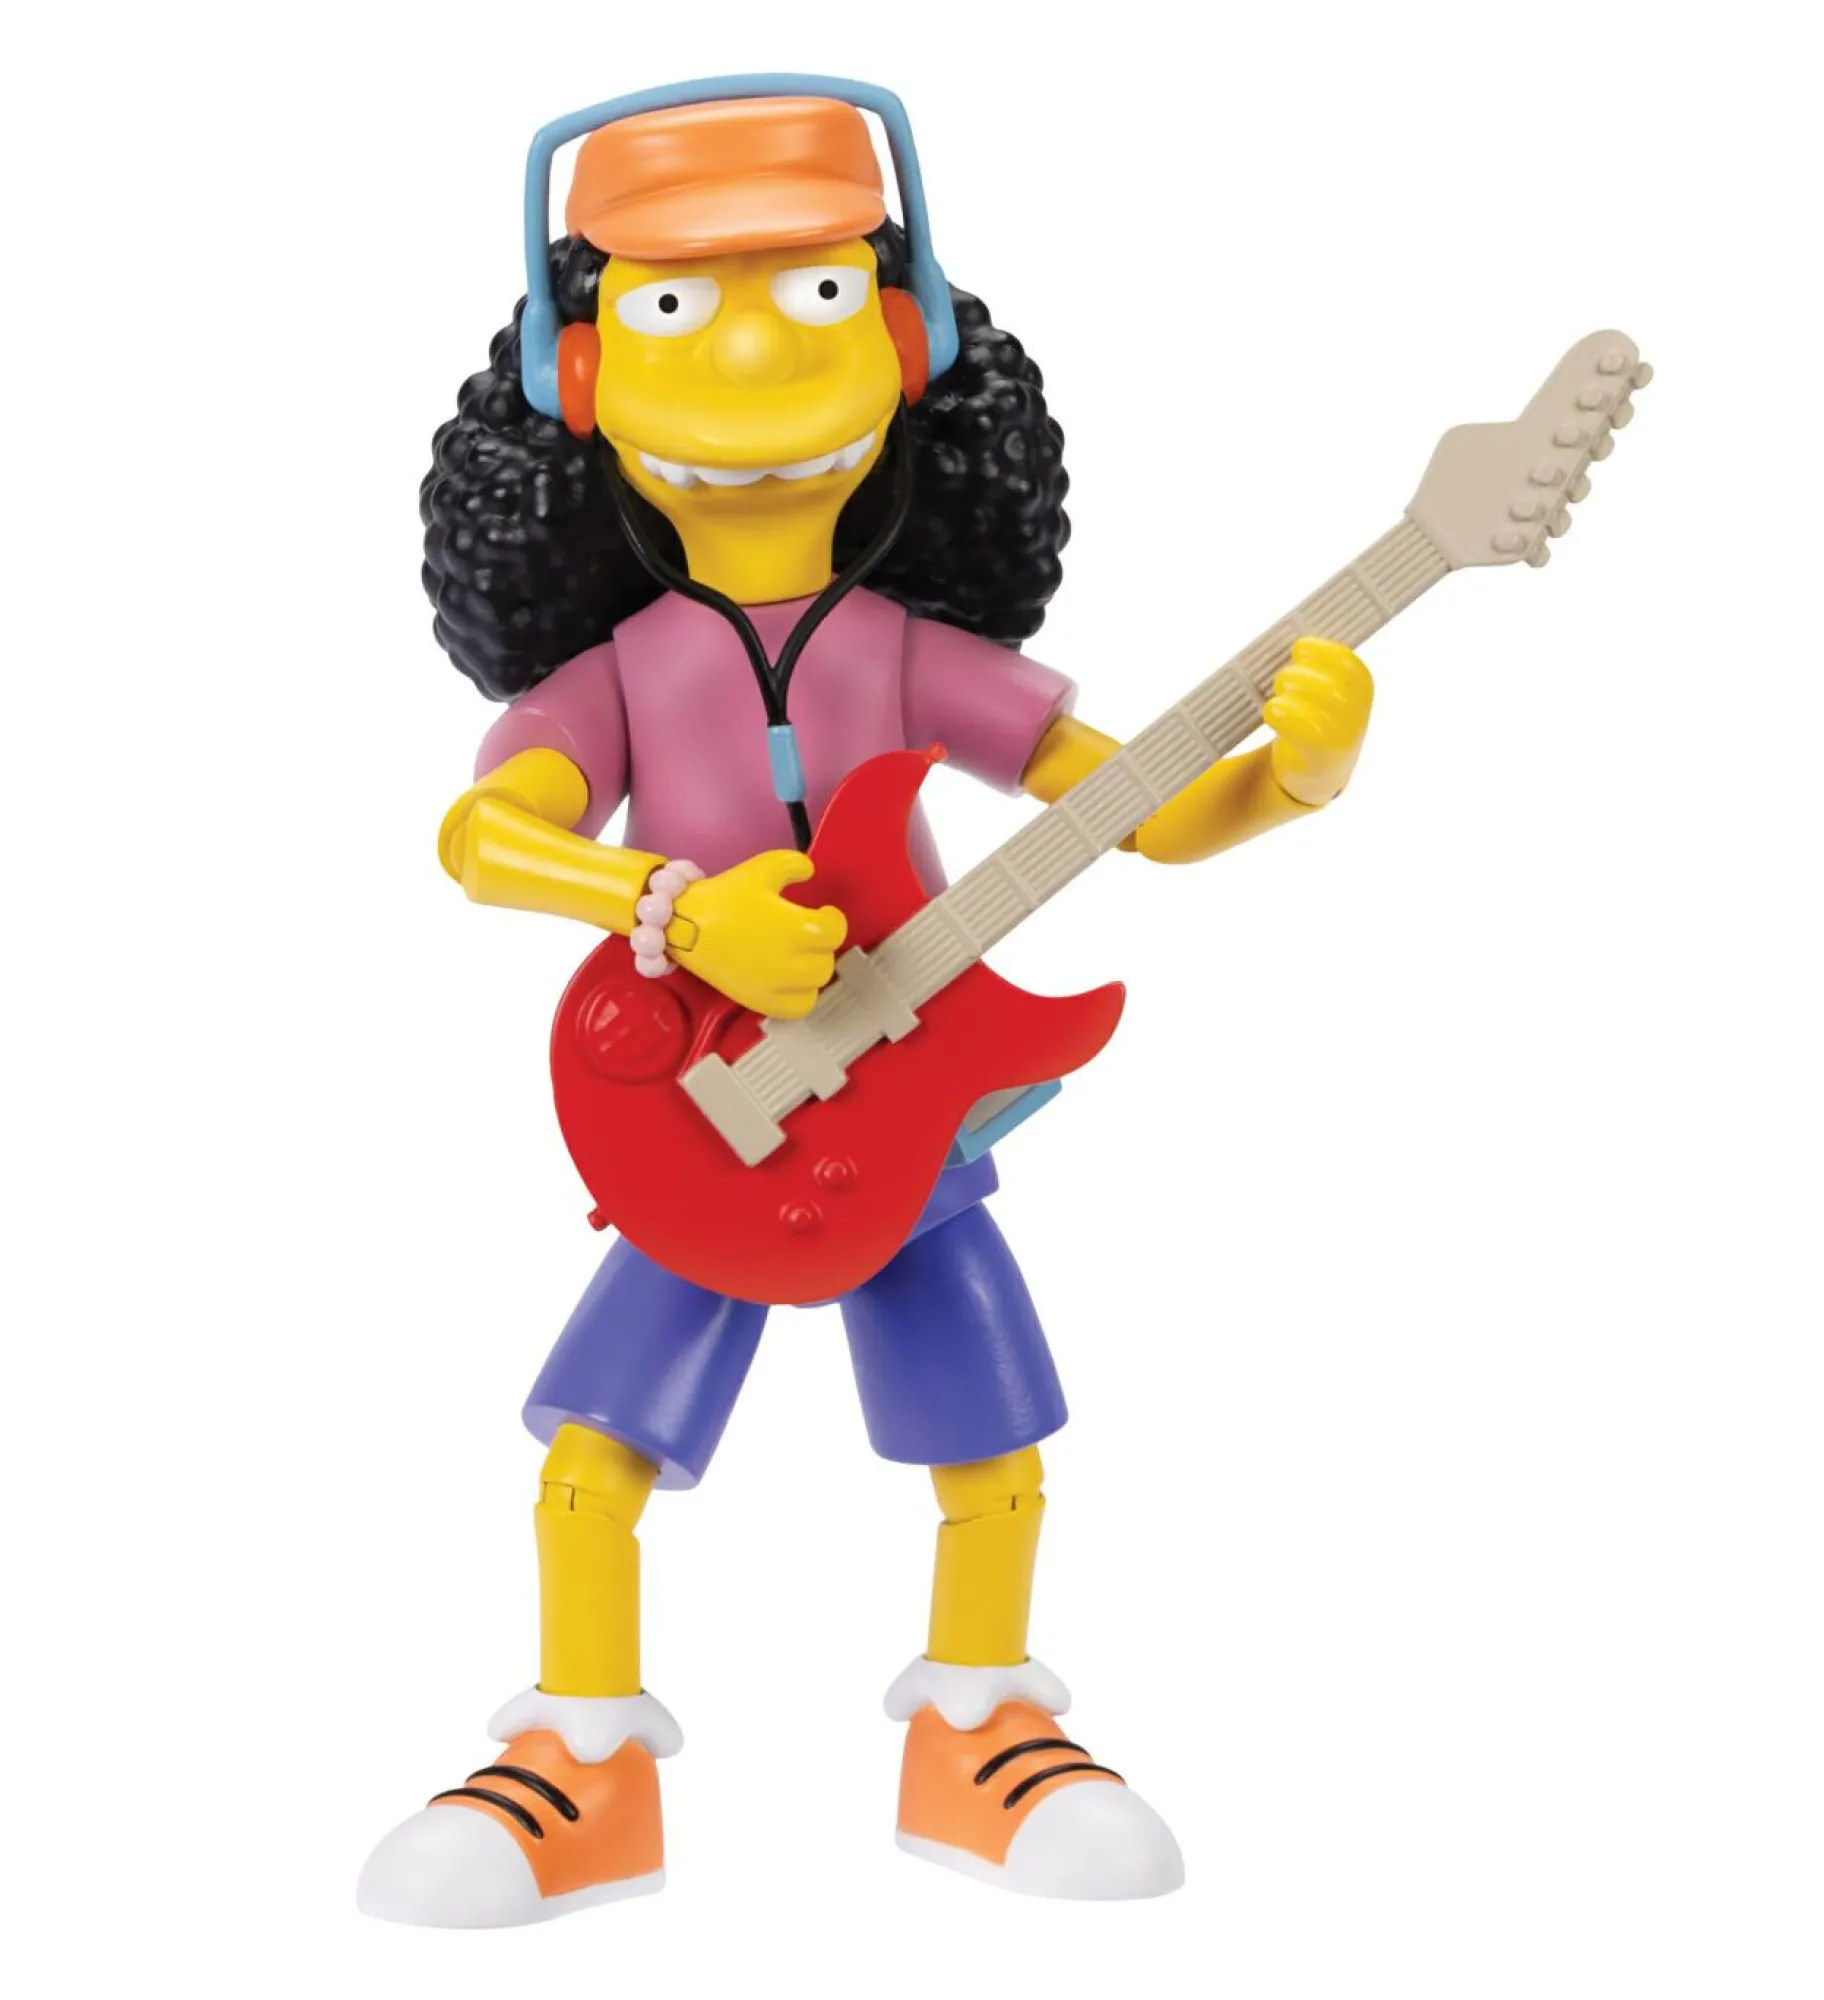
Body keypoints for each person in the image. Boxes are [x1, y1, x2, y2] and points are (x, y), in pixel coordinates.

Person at [359, 87, 1373, 1927]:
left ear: (905, 342)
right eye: (679, 306)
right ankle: (581, 1763)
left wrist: (1288, 780)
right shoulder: (622, 673)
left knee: (995, 1457)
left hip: (915, 1126)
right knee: (593, 1464)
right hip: (699, 1117)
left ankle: (978, 1736)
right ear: (581, 373)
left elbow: (1136, 811)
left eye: (817, 294)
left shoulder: (913, 656)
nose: (754, 355)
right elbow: (481, 839)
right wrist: (669, 908)